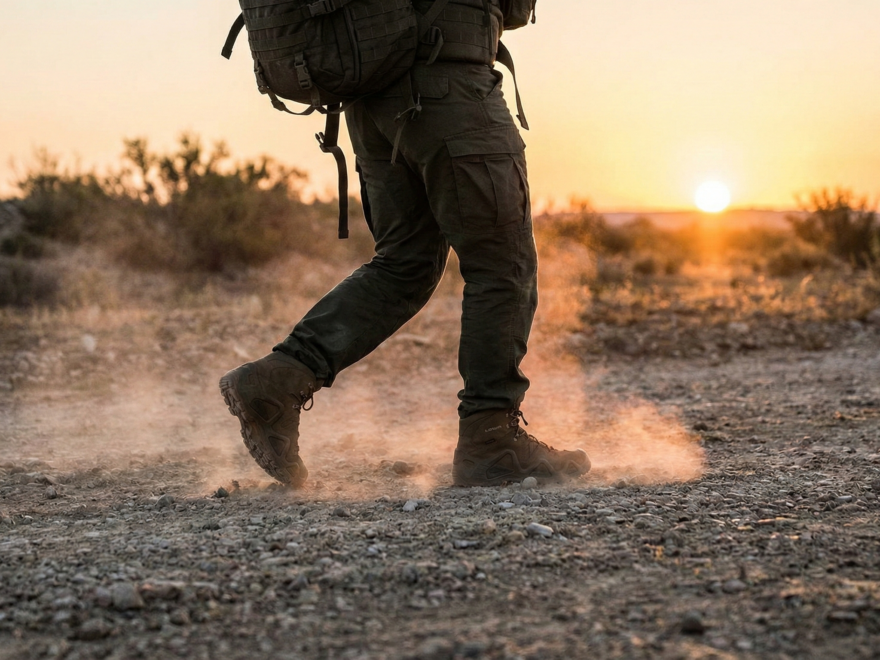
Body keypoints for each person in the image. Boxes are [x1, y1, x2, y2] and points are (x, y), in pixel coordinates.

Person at [220, 0, 590, 488]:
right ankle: (491, 439)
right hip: (449, 88)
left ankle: (279, 380)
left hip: (372, 100)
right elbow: (515, 9)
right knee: (504, 265)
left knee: (405, 265)